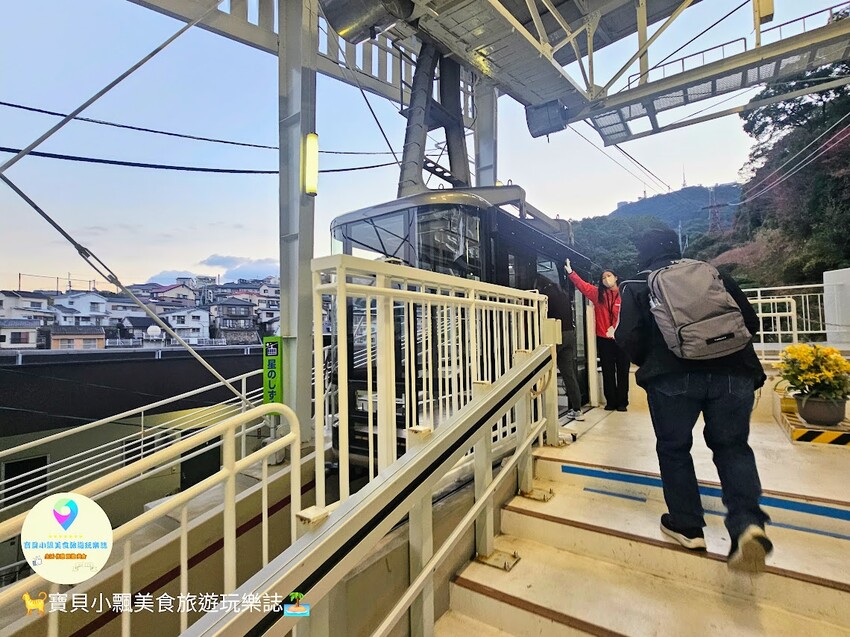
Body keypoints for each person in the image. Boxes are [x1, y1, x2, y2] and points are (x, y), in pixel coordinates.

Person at [615, 228, 773, 572]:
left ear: (644, 252)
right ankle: (748, 524)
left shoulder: (637, 284)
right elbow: (750, 322)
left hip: (671, 379)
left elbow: (627, 336)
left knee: (674, 449)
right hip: (734, 373)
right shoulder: (713, 274)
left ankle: (687, 526)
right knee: (733, 448)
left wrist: (654, 363)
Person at [565, 260, 630, 412]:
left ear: (616, 277)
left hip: (622, 339)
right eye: (603, 277)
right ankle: (611, 402)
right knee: (607, 371)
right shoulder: (598, 294)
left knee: (623, 371)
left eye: (609, 276)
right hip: (604, 339)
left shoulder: (625, 294)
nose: (606, 279)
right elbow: (583, 286)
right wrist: (571, 273)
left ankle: (623, 402)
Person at [535, 275, 584, 421]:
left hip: (555, 334)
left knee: (543, 370)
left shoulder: (545, 296)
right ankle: (577, 409)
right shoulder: (562, 293)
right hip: (569, 334)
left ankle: (542, 413)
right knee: (568, 374)